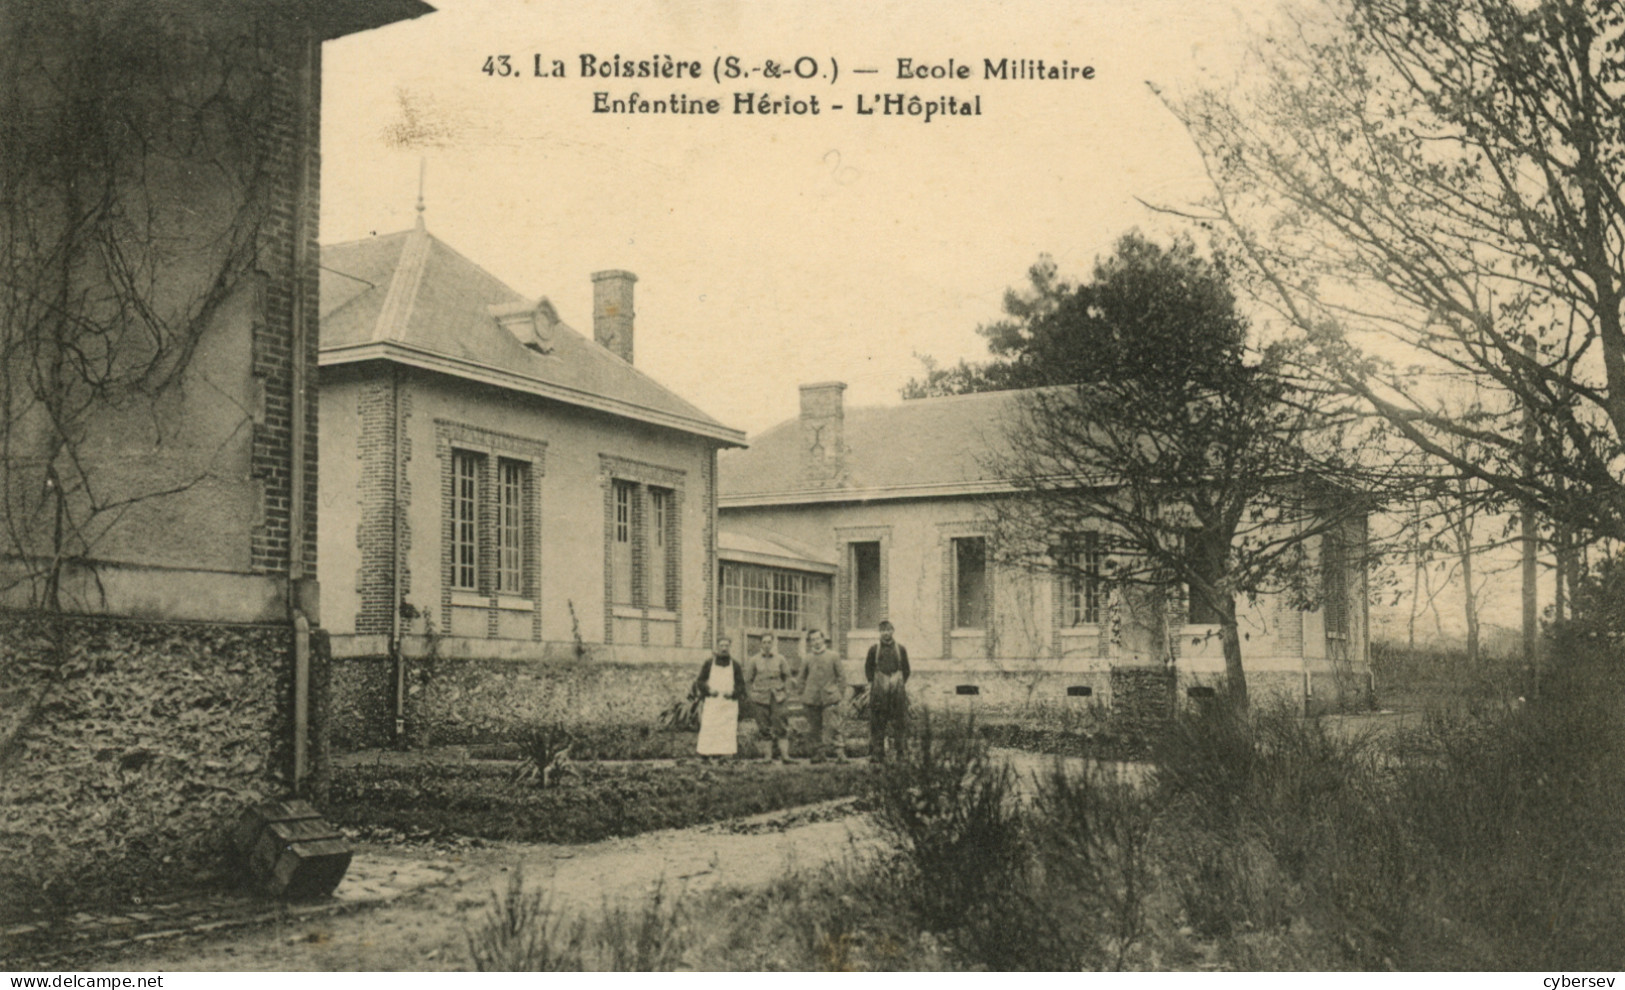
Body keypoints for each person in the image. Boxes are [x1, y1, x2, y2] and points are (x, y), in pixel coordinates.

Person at [798, 629, 847, 763]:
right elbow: (801, 679)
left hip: (830, 698)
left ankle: (840, 754)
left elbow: (842, 677)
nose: (816, 642)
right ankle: (819, 755)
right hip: (812, 699)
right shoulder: (807, 658)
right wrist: (803, 695)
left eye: (818, 638)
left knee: (834, 726)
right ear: (810, 642)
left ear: (823, 639)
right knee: (814, 728)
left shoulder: (833, 656)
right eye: (813, 639)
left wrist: (839, 694)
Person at [864, 619, 910, 762]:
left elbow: (907, 670)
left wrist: (897, 683)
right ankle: (878, 753)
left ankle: (901, 752)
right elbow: (868, 669)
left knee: (899, 721)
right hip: (879, 691)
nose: (886, 633)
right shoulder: (874, 649)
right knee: (878, 721)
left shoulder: (900, 649)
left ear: (893, 631)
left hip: (896, 690)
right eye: (883, 630)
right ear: (879, 632)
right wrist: (876, 683)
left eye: (888, 630)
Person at [744, 631, 794, 762]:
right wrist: (751, 696)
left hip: (777, 697)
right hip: (760, 698)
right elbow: (748, 680)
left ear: (773, 643)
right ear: (760, 644)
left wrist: (786, 692)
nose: (767, 645)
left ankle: (785, 756)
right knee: (764, 727)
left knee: (781, 725)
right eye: (764, 642)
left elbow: (787, 676)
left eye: (769, 642)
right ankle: (768, 757)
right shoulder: (754, 660)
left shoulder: (780, 659)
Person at [691, 637, 741, 758]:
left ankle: (726, 754)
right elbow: (700, 681)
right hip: (713, 701)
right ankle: (707, 754)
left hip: (728, 703)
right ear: (717, 647)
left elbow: (741, 685)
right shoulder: (709, 663)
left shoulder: (735, 665)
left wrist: (733, 693)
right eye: (721, 646)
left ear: (730, 647)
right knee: (710, 727)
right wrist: (709, 690)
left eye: (726, 646)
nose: (724, 648)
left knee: (727, 728)